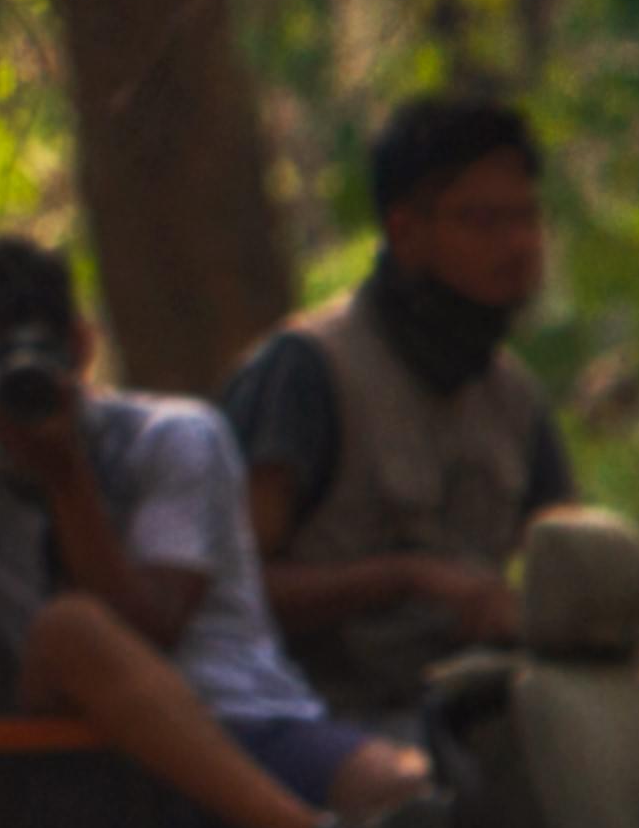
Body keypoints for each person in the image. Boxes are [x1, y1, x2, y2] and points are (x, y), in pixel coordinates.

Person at [0, 233, 451, 828]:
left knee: (406, 795)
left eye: (28, 354)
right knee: (71, 628)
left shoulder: (171, 438)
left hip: (245, 724)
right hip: (83, 764)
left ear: (79, 346)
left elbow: (154, 622)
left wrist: (65, 474)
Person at [219, 92, 580, 732]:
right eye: (484, 221)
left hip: (477, 705)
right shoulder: (308, 371)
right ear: (406, 231)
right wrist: (406, 579)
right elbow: (230, 590)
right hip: (323, 720)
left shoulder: (513, 395)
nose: (519, 244)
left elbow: (572, 571)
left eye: (526, 218)